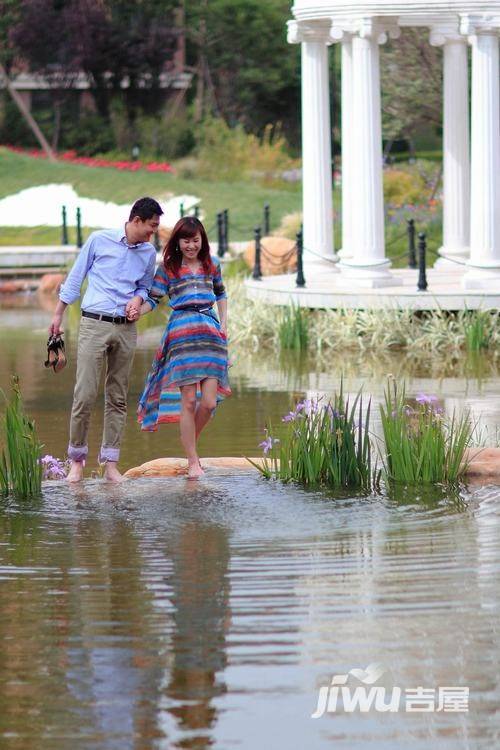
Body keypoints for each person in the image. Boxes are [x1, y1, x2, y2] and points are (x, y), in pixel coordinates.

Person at [49, 197, 163, 483]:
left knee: (118, 397)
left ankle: (111, 463)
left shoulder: (148, 253)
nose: (153, 233)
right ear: (136, 220)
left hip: (126, 329)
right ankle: (76, 461)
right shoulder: (99, 240)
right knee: (84, 394)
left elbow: (145, 287)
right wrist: (58, 316)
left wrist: (138, 300)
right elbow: (76, 278)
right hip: (94, 323)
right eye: (151, 227)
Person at [137, 216, 231, 479]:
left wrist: (224, 326)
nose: (191, 245)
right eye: (186, 240)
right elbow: (153, 300)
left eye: (195, 240)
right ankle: (192, 461)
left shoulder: (212, 264)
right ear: (178, 242)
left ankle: (189, 441)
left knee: (209, 403)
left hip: (210, 335)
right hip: (181, 336)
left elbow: (221, 294)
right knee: (189, 401)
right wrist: (137, 311)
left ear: (203, 240)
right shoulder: (167, 267)